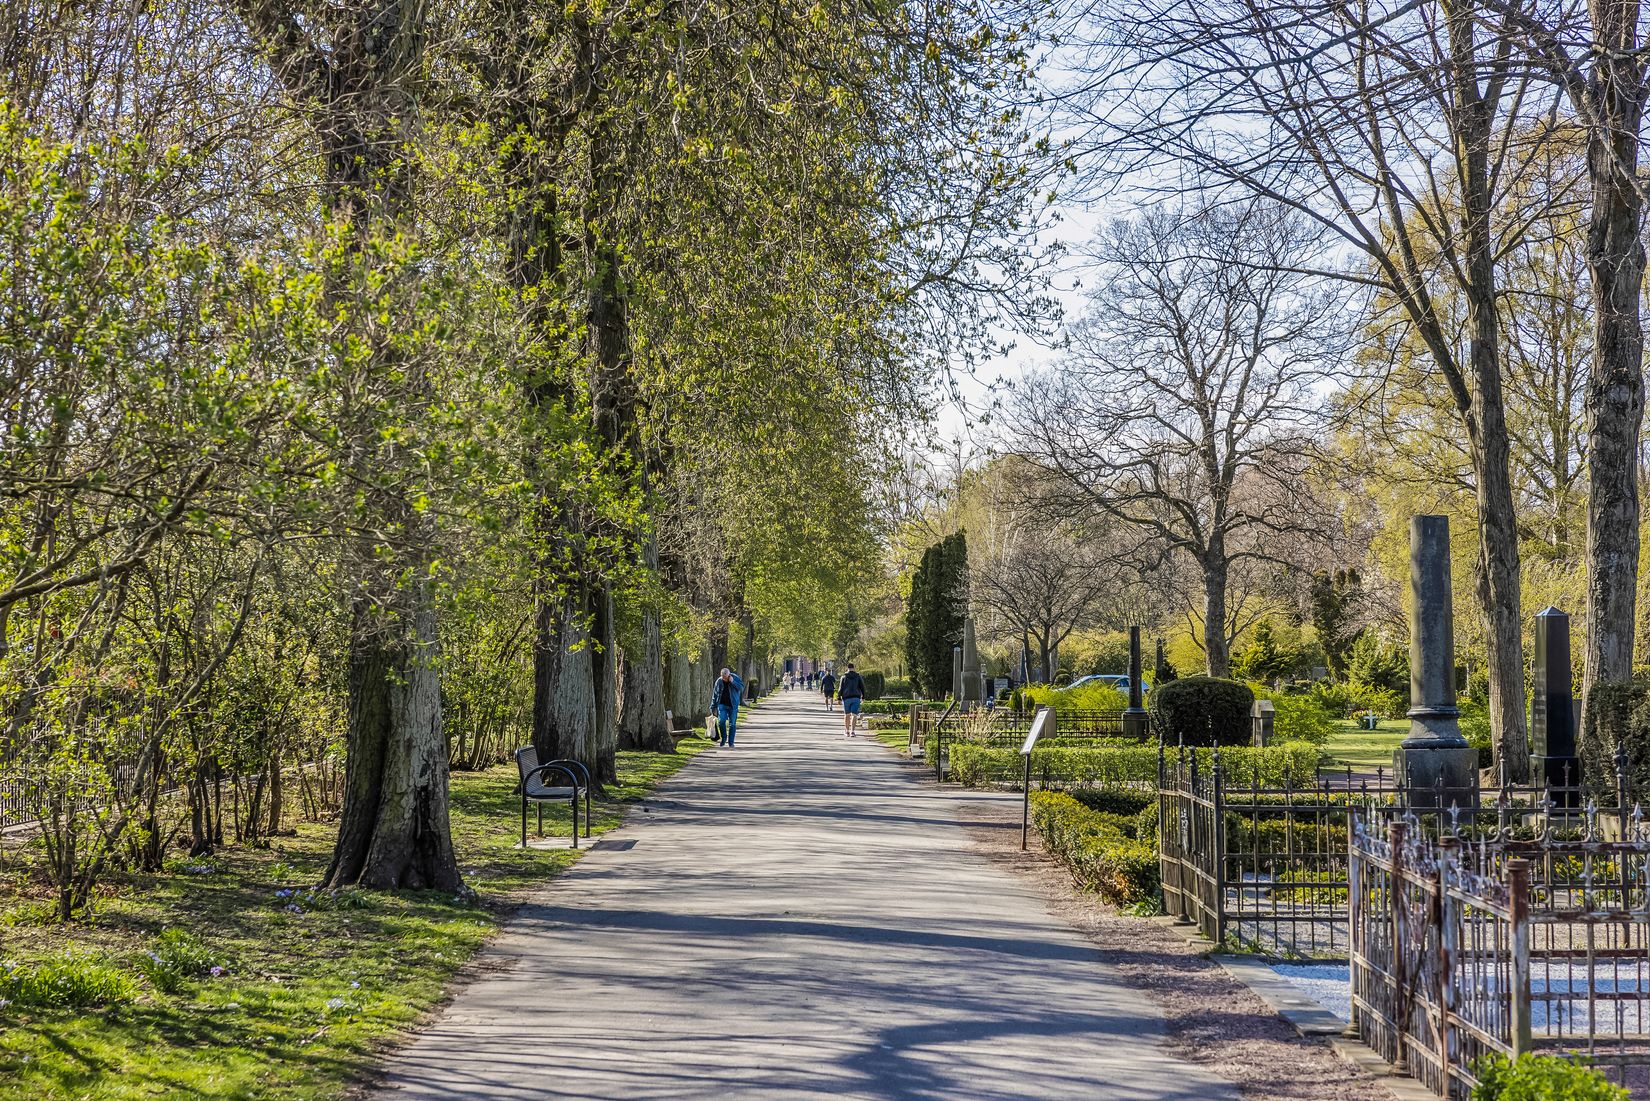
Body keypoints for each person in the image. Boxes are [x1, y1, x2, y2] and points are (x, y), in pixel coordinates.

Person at [711, 667, 744, 748]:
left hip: (733, 705)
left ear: (729, 675)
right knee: (721, 721)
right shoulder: (719, 681)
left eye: (726, 677)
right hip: (721, 704)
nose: (724, 679)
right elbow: (715, 694)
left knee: (732, 724)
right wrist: (713, 707)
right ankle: (724, 737)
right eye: (723, 677)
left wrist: (733, 682)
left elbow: (741, 688)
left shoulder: (735, 678)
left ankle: (731, 742)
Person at [837, 663, 865, 737]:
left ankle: (847, 731)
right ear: (854, 668)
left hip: (846, 698)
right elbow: (862, 687)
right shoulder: (858, 676)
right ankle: (853, 731)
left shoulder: (843, 677)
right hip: (856, 698)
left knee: (847, 715)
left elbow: (840, 688)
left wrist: (839, 697)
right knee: (854, 715)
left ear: (847, 668)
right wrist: (863, 697)